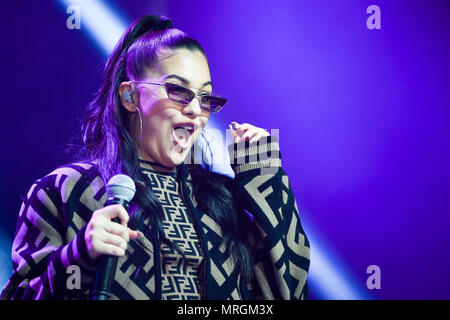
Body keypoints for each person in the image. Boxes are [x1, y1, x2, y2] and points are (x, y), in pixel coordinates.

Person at [1, 15, 310, 300]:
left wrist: (265, 171)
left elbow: (287, 292)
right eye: (178, 91)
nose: (195, 110)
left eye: (205, 98)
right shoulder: (64, 191)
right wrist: (78, 254)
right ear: (130, 96)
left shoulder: (222, 203)